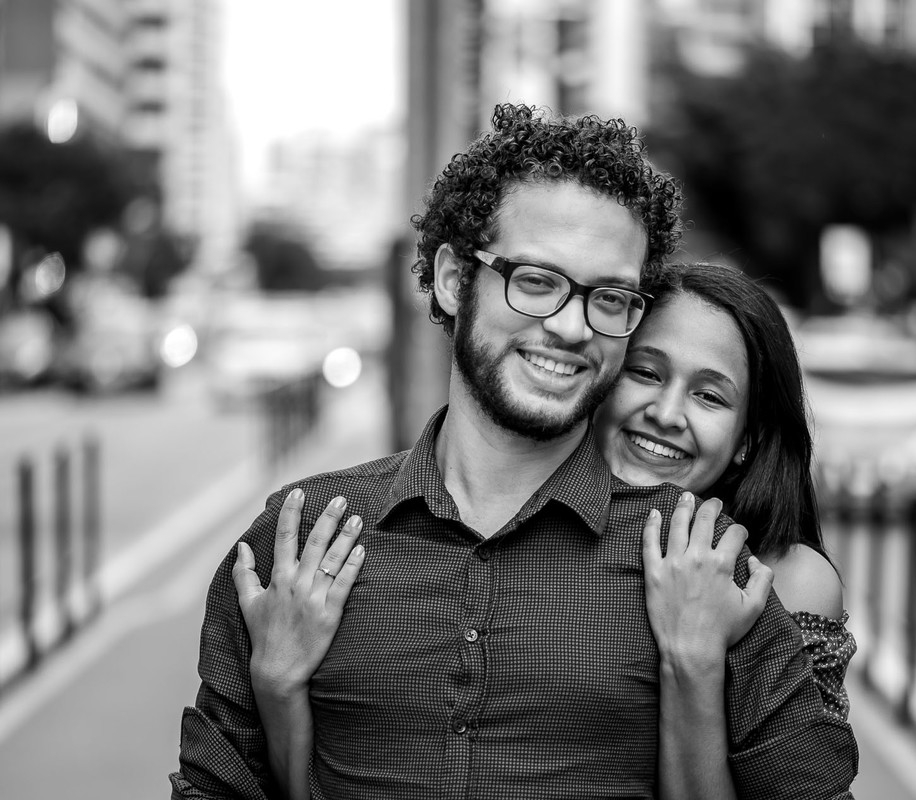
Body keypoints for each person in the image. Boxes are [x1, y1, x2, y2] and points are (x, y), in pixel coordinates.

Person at [170, 104, 857, 799]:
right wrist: (281, 690)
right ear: (451, 279)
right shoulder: (301, 541)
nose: (568, 325)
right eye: (535, 281)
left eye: (609, 296)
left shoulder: (703, 573)